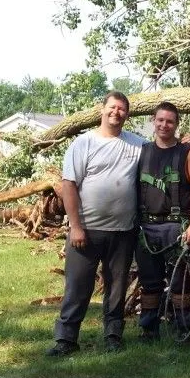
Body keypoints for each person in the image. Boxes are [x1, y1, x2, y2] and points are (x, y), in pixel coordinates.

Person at [46, 91, 147, 356]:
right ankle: (66, 340)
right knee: (78, 286)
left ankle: (113, 336)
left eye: (122, 109)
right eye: (113, 107)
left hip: (123, 231)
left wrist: (184, 143)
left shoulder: (137, 145)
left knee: (116, 288)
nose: (117, 112)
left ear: (127, 114)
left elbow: (162, 149)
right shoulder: (83, 143)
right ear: (102, 110)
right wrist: (76, 226)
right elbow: (69, 185)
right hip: (86, 231)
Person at [135, 101, 190, 340]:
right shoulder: (142, 151)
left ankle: (184, 328)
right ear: (153, 122)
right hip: (147, 227)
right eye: (160, 120)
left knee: (180, 281)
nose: (164, 125)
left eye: (169, 121)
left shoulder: (188, 152)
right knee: (149, 282)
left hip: (177, 226)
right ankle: (149, 330)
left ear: (176, 124)